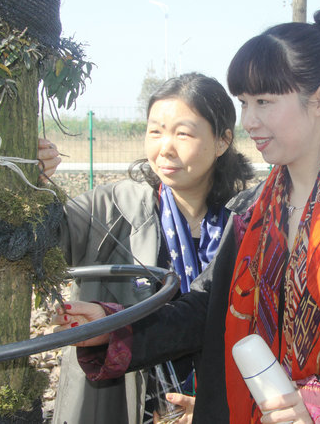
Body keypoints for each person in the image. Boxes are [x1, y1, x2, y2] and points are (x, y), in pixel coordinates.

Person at [52, 0, 320, 423]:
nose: (248, 121)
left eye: (264, 102)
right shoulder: (251, 211)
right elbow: (205, 308)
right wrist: (115, 328)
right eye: (244, 102)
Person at [42, 73, 254, 424]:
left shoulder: (248, 222)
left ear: (222, 141)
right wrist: (34, 185)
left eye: (183, 134)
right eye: (155, 131)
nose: (165, 148)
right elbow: (42, 242)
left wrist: (211, 408)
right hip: (126, 407)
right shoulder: (108, 209)